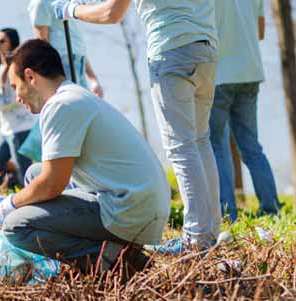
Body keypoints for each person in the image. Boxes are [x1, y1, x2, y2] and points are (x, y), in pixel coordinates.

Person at [0, 39, 169, 275]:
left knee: (16, 226)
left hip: (129, 210)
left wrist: (10, 204)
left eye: (15, 86)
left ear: (30, 77)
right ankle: (105, 249)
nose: (17, 97)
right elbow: (48, 177)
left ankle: (116, 261)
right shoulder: (73, 96)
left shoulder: (61, 105)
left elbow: (52, 184)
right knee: (33, 173)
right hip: (136, 202)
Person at [52, 0, 221, 254]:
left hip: (171, 49)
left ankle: (196, 239)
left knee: (182, 147)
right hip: (205, 49)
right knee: (199, 141)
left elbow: (111, 13)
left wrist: (71, 10)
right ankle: (209, 233)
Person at [210, 0, 280, 222]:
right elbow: (260, 32)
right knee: (251, 147)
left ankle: (227, 213)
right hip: (250, 72)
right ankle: (271, 209)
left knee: (217, 146)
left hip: (219, 75)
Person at [0, 28, 37, 188]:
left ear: (12, 43)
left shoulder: (19, 67)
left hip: (22, 128)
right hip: (5, 129)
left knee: (25, 172)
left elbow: (16, 97)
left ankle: (32, 201)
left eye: (2, 41)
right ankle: (18, 192)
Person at [27, 0, 103, 97]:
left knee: (83, 106)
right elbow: (42, 44)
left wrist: (93, 78)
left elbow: (76, 47)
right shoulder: (40, 3)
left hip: (78, 62)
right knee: (74, 105)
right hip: (62, 63)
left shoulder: (62, 3)